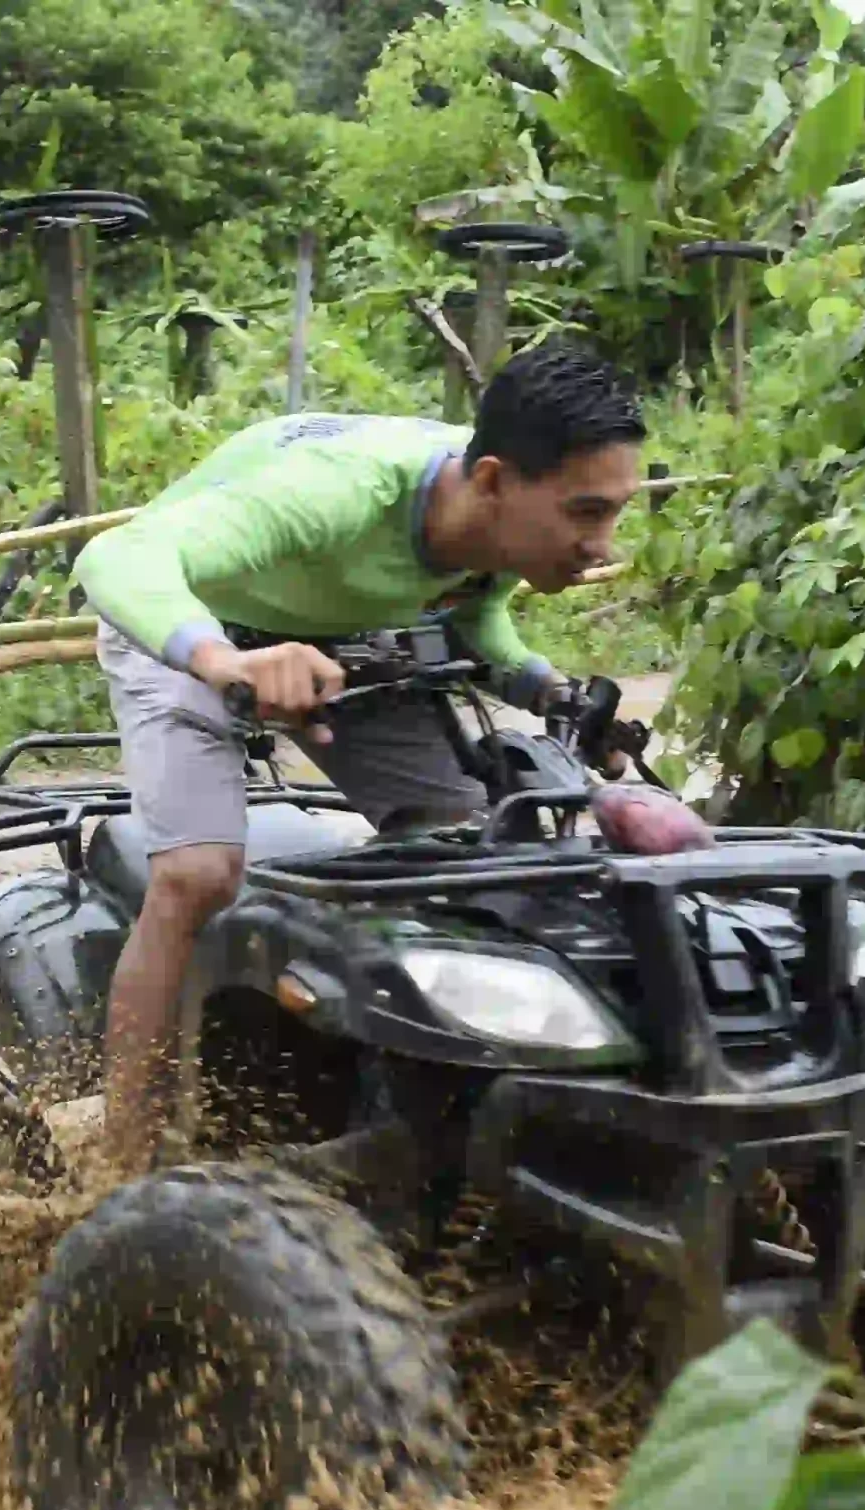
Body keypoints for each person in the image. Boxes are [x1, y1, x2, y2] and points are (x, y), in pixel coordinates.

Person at [73, 337, 648, 1163]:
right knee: (197, 875)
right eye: (586, 512)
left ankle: (414, 1099)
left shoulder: (500, 521)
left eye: (615, 510)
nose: (603, 542)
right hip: (187, 623)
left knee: (469, 850)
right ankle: (123, 1159)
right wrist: (226, 662)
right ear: (490, 480)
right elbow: (120, 557)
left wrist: (546, 687)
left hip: (339, 637)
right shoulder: (336, 496)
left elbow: (476, 620)